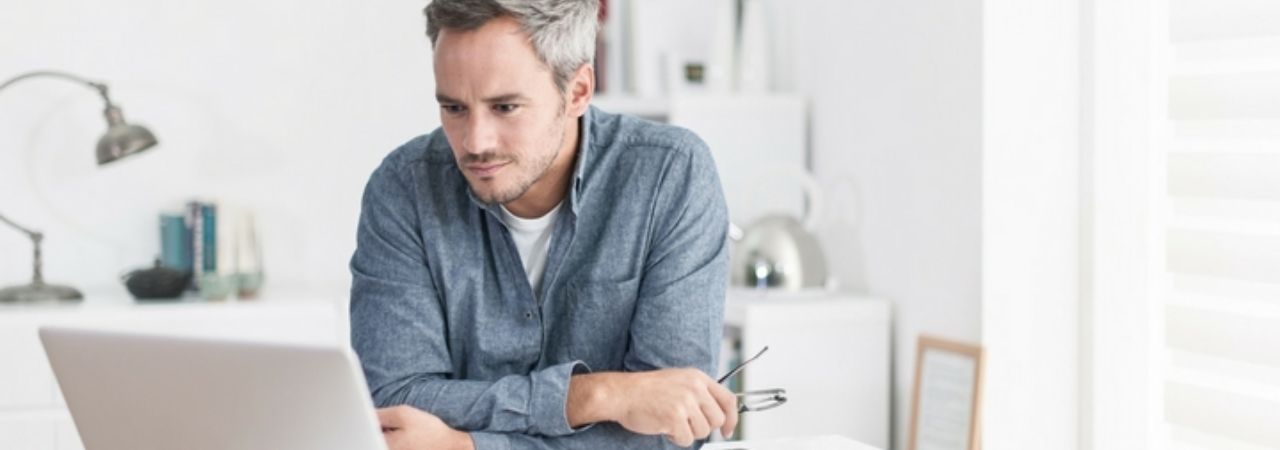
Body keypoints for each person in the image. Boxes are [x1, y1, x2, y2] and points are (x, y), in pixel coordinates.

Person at [349, 0, 735, 448]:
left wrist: (466, 445)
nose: (475, 142)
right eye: (454, 108)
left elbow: (669, 433)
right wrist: (595, 395)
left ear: (578, 91)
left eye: (505, 107)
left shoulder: (671, 175)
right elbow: (395, 409)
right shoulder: (403, 189)